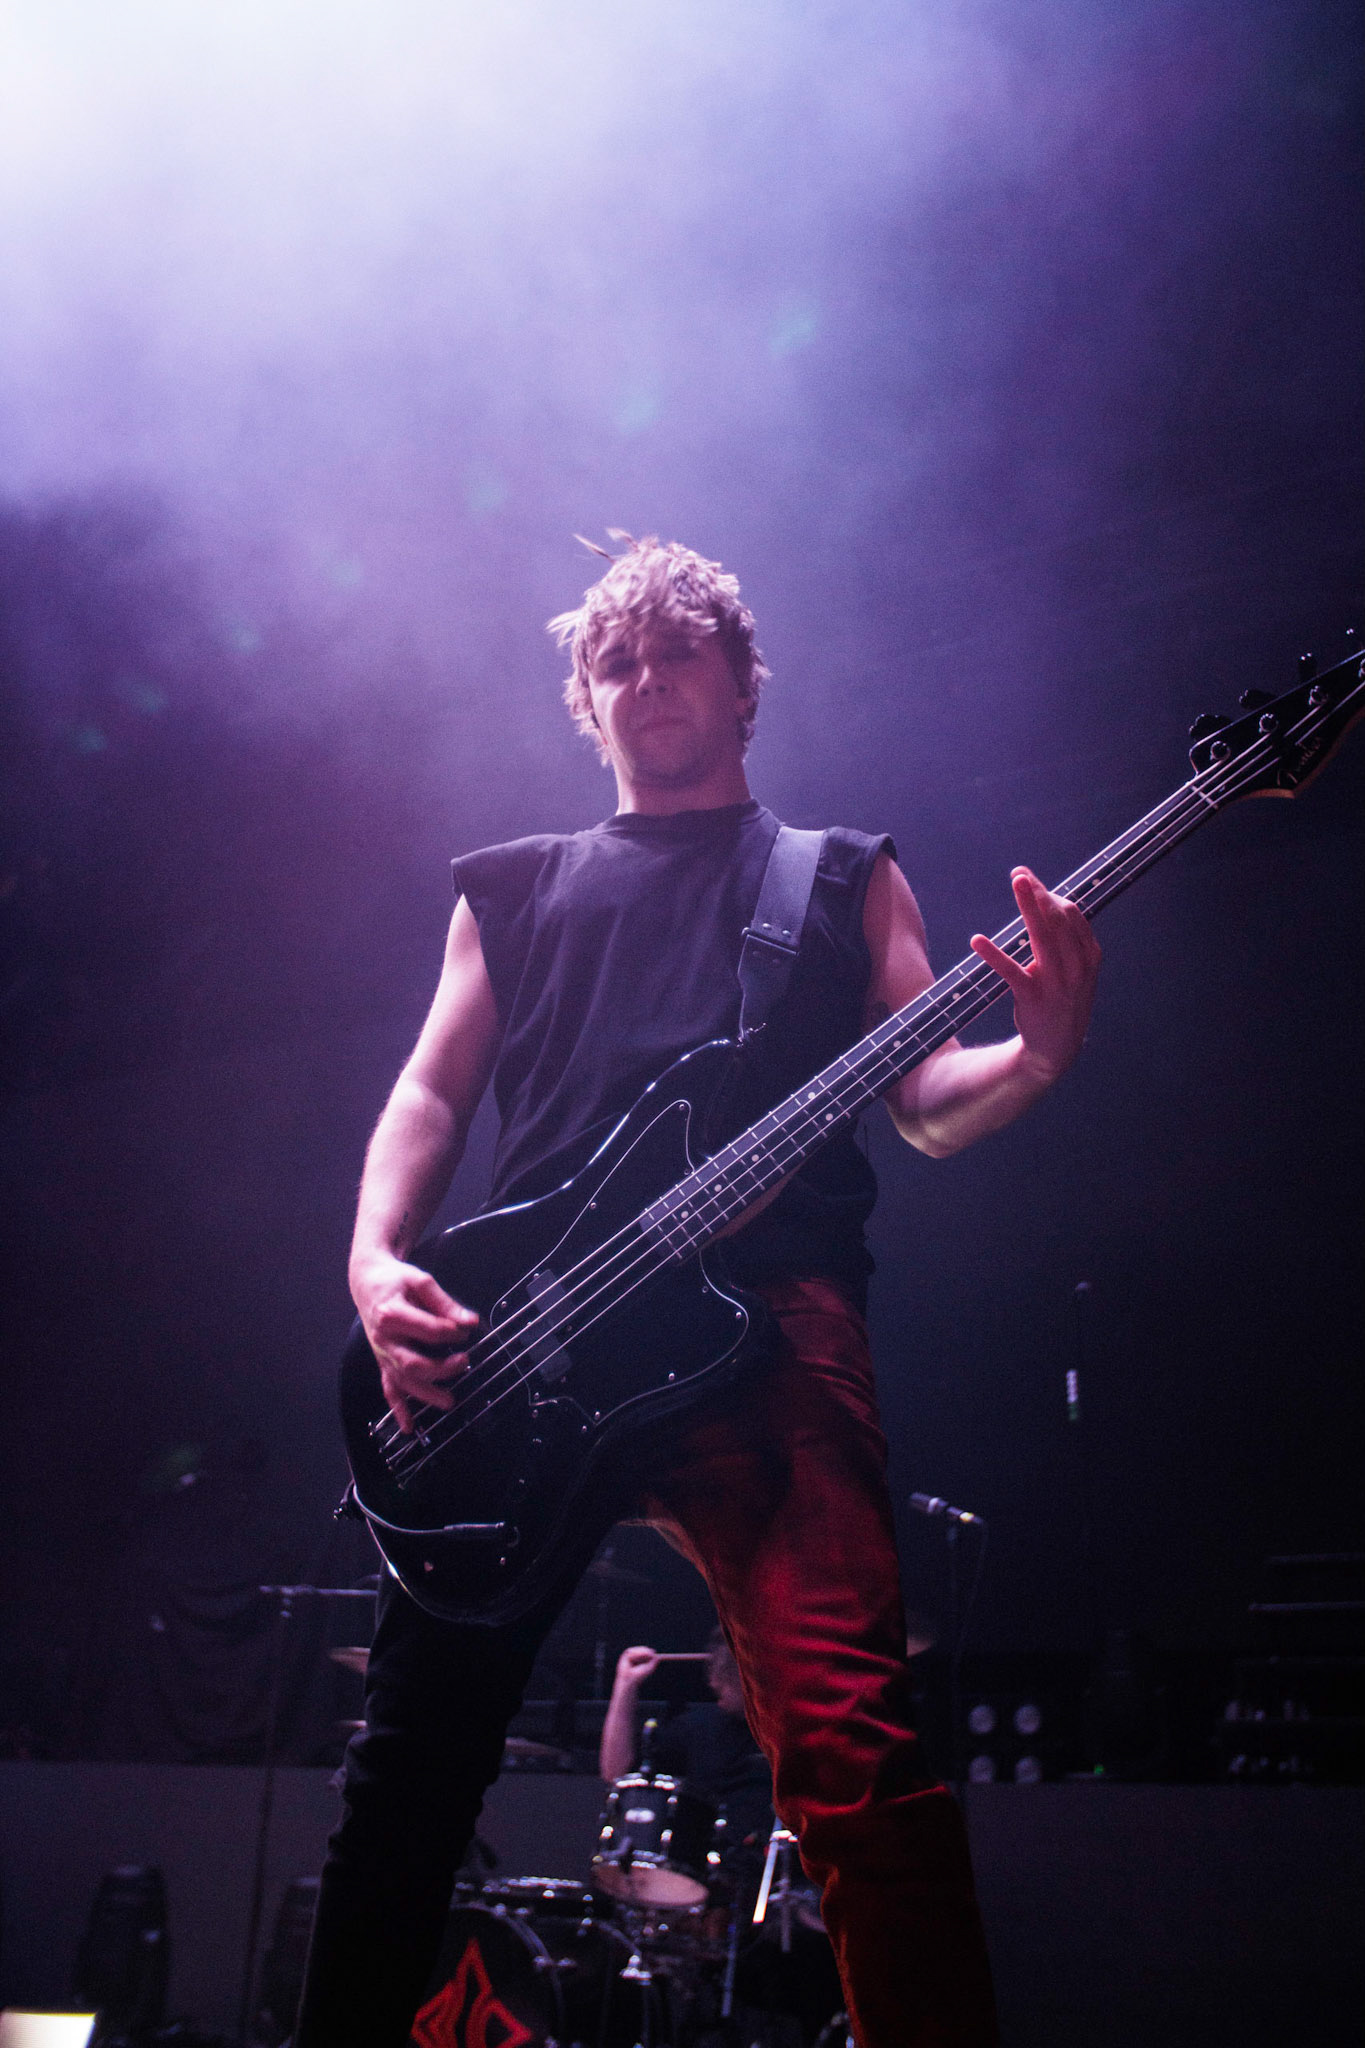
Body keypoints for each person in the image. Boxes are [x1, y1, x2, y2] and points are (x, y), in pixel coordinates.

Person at [294, 536, 1100, 2048]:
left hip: (770, 1324)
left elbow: (926, 1098)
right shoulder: (511, 889)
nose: (645, 678)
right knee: (404, 1776)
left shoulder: (841, 876)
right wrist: (376, 1260)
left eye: (678, 653)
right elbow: (430, 1093)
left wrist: (1037, 1051)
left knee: (853, 1751)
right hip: (527, 1341)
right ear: (585, 704)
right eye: (616, 662)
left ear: (742, 687)